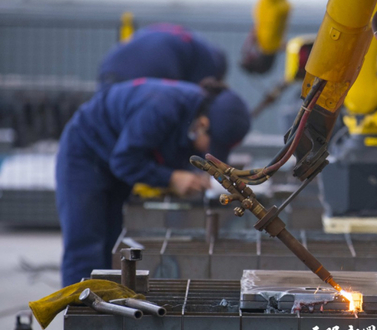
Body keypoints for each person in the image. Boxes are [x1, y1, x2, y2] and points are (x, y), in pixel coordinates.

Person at [55, 77, 250, 286]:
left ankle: (105, 312)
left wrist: (189, 176)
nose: (206, 151)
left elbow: (173, 147)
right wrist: (171, 178)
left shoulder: (195, 111)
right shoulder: (161, 108)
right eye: (211, 145)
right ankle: (79, 313)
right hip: (85, 154)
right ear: (203, 124)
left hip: (114, 159)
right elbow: (123, 161)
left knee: (112, 245)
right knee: (86, 246)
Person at [98, 23, 227, 86]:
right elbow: (198, 95)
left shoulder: (186, 39)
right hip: (144, 74)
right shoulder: (209, 60)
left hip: (109, 66)